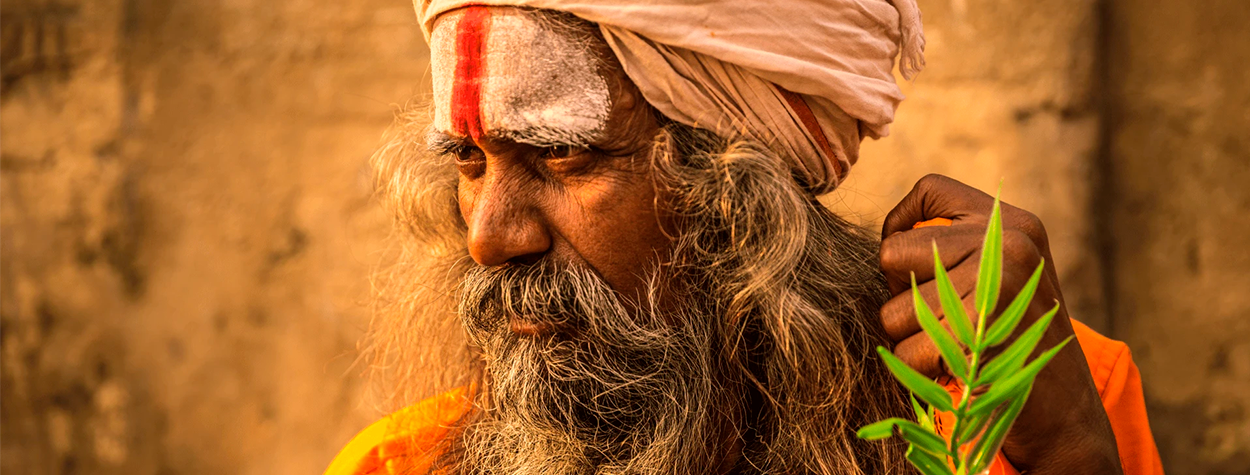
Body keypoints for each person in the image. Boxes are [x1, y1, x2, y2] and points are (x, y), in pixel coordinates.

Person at [327, 1, 1163, 474]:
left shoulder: (1033, 410)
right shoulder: (399, 466)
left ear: (741, 191)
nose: (487, 234)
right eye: (470, 161)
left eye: (563, 154)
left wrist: (1067, 453)